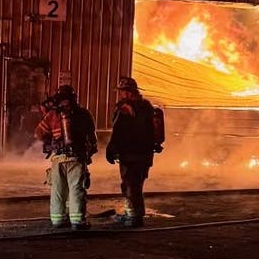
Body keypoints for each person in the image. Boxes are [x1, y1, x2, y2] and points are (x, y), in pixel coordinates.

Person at [35, 85, 98, 230]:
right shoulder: (84, 114)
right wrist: (89, 154)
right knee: (76, 189)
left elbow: (39, 133)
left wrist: (50, 139)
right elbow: (92, 140)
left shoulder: (53, 115)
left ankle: (57, 220)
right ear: (73, 98)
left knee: (57, 190)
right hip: (76, 159)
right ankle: (77, 222)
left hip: (58, 159)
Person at [106, 76, 163, 227]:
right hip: (145, 155)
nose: (121, 95)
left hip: (129, 154)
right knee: (137, 184)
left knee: (129, 185)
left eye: (122, 92)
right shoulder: (147, 106)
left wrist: (111, 148)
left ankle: (134, 217)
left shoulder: (125, 108)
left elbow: (118, 130)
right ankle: (134, 214)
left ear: (127, 92)